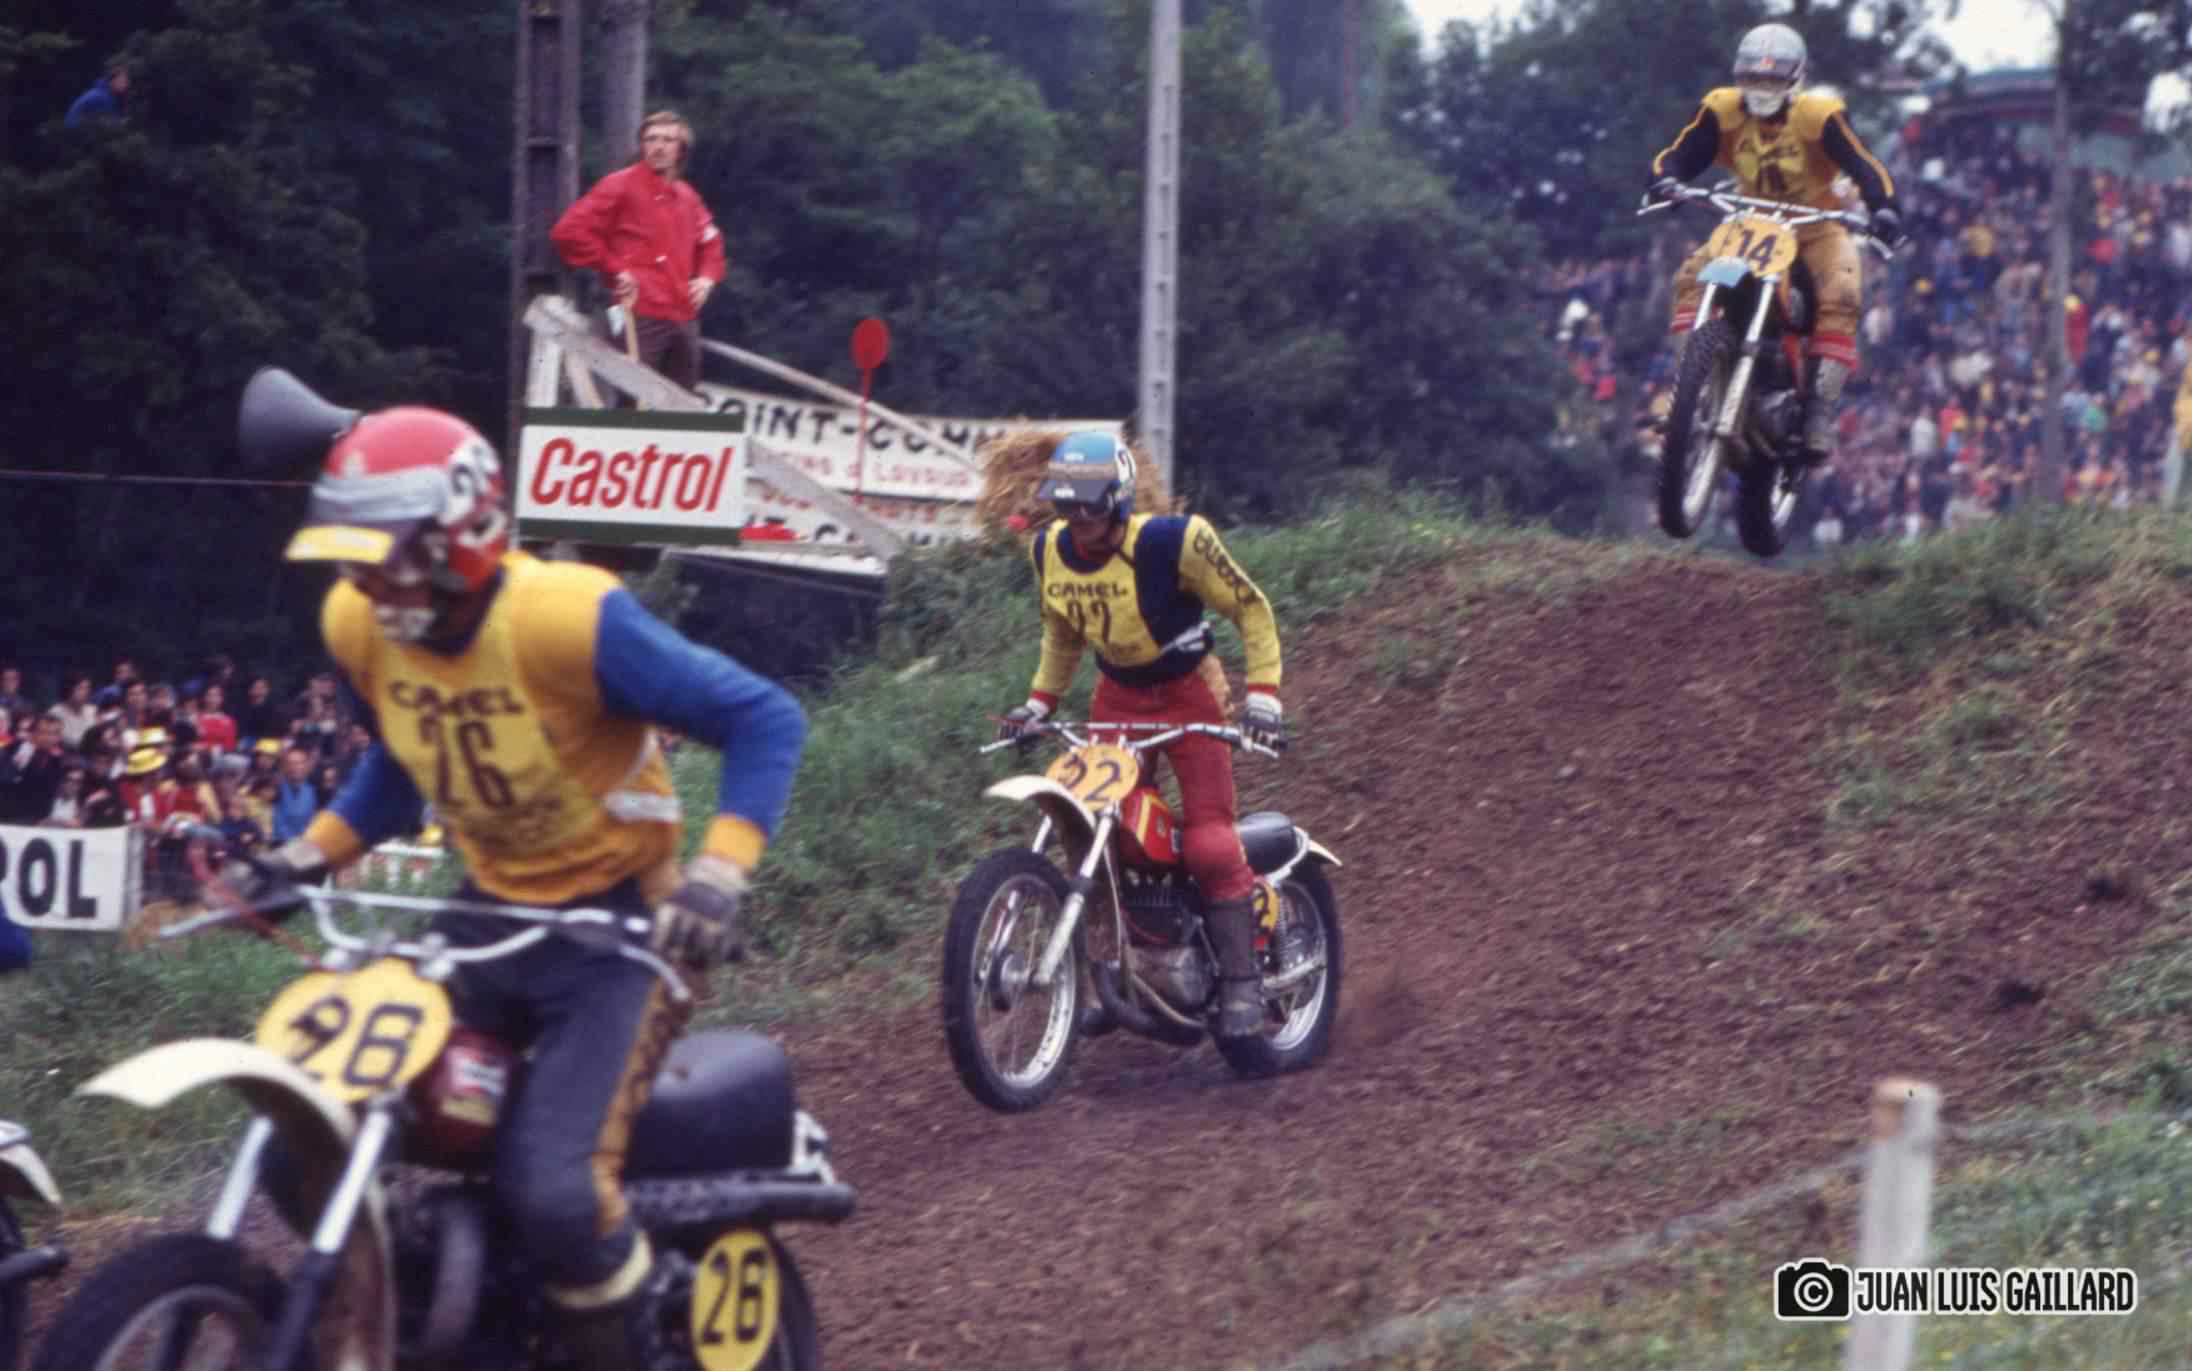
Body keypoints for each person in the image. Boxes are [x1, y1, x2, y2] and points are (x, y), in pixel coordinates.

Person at [218, 367, 807, 1371]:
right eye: (352, 560)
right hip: (486, 915)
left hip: (623, 931)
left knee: (556, 1190)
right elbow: (399, 771)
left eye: (385, 560)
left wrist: (720, 875)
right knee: (310, 1131)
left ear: (458, 538)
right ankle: (419, 1312)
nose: (364, 585)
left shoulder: (566, 618)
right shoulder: (360, 624)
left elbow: (763, 716)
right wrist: (300, 858)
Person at [994, 431, 1285, 1040]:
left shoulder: (1175, 542)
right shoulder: (1048, 551)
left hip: (1188, 692)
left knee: (1208, 841)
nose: (1078, 518)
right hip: (1118, 696)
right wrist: (1037, 705)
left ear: (1119, 499)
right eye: (1066, 503)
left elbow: (1250, 607)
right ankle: (1115, 972)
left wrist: (1263, 698)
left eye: (1090, 504)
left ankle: (1242, 980)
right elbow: (1062, 634)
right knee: (1100, 834)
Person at [1645, 22, 1907, 466]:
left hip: (1817, 227)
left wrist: (1884, 208)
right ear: (1738, 78)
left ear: (1795, 79)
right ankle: (1689, 388)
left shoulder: (1819, 116)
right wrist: (1664, 180)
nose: (1761, 88)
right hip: (1751, 223)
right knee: (1690, 276)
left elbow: (1864, 165)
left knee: (1843, 291)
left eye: (1772, 79)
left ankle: (1819, 410)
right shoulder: (1721, 110)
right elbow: (1681, 153)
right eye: (1753, 78)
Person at [550, 109, 725, 392]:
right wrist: (614, 267)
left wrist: (706, 279)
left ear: (681, 149)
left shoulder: (687, 196)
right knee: (635, 402)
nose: (658, 147)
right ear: (642, 145)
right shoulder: (619, 185)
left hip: (682, 315)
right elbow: (568, 231)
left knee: (684, 403)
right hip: (637, 312)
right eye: (651, 139)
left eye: (667, 140)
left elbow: (711, 242)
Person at [64, 61, 130, 128]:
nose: (126, 84)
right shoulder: (102, 97)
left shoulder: (103, 92)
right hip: (76, 130)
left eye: (126, 81)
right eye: (122, 81)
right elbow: (110, 124)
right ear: (112, 80)